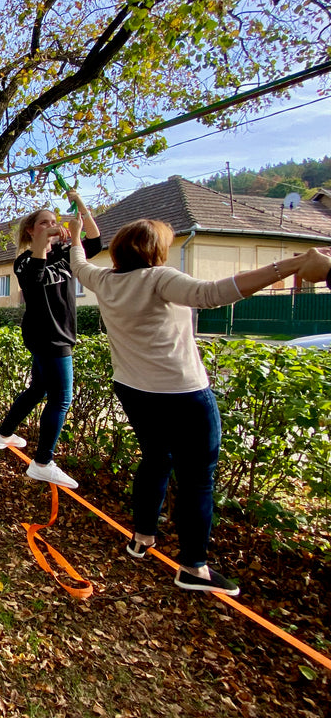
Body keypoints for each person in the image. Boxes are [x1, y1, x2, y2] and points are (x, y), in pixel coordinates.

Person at [70, 215, 309, 596]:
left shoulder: (104, 281)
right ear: (155, 251)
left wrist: (76, 235)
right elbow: (215, 292)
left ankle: (142, 537)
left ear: (119, 250)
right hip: (182, 392)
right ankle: (194, 567)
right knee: (197, 478)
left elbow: (78, 262)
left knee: (155, 459)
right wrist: (289, 265)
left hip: (133, 389)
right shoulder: (158, 278)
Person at [0, 192, 101, 490]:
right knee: (61, 399)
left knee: (38, 388)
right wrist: (44, 242)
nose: (52, 226)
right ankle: (43, 463)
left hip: (59, 332)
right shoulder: (24, 262)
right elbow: (36, 281)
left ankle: (2, 434)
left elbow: (95, 242)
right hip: (48, 336)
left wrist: (80, 206)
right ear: (31, 230)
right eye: (44, 223)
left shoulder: (65, 253)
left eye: (54, 221)